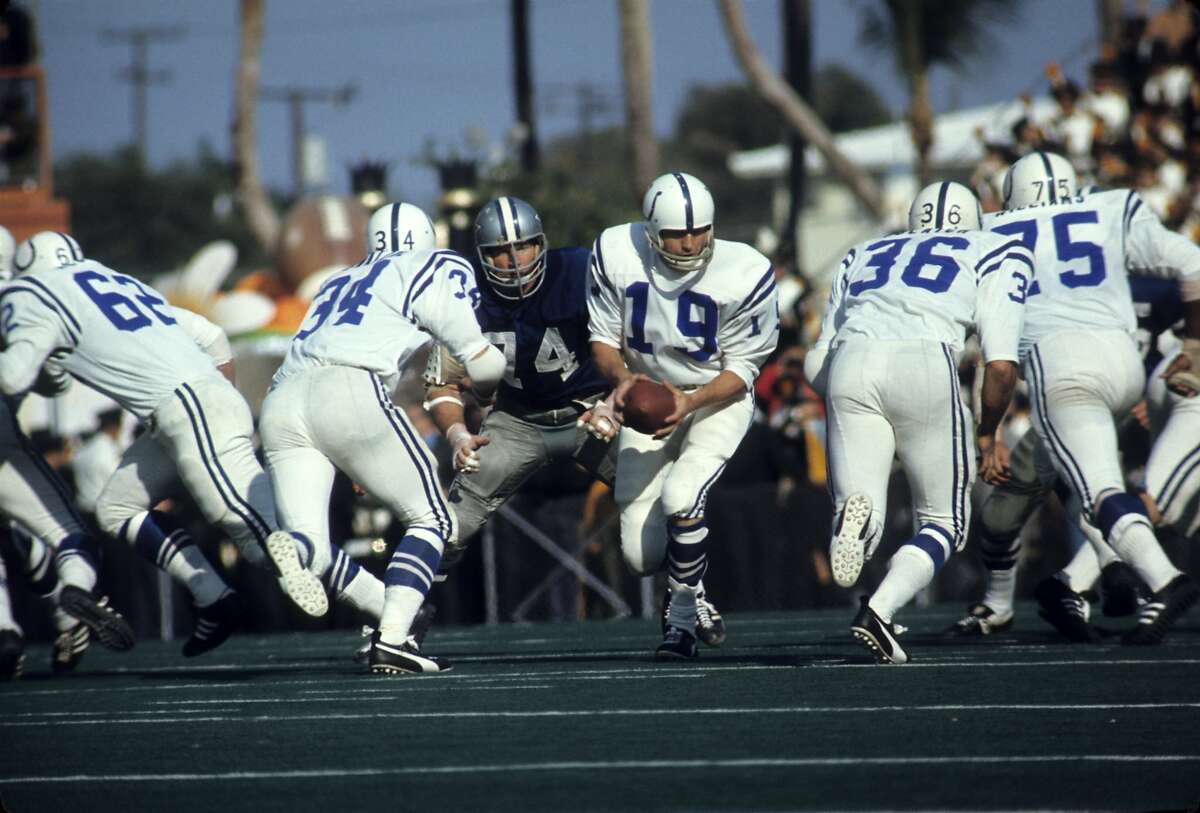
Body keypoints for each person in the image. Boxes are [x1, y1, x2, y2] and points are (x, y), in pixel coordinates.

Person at [0, 231, 329, 658]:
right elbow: (211, 334)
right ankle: (202, 597)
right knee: (96, 519)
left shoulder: (29, 295)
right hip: (190, 402)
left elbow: (22, 377)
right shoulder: (113, 281)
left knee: (254, 531)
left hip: (182, 407)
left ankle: (380, 603)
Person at [259, 202, 506, 675]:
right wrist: (490, 396)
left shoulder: (336, 280)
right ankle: (393, 638)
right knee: (435, 517)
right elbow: (483, 360)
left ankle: (313, 557)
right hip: (349, 391)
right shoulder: (434, 264)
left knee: (314, 543)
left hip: (282, 399)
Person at [805, 181, 1029, 664]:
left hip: (851, 360)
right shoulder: (996, 248)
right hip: (925, 359)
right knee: (944, 521)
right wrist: (988, 431)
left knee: (863, 501)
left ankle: (856, 522)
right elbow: (1002, 366)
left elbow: (815, 360)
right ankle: (880, 611)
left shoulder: (864, 251)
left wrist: (843, 395)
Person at [981, 151, 1200, 645]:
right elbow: (1193, 260)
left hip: (1061, 364)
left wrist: (985, 428)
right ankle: (1077, 583)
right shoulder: (1111, 207)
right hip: (1124, 362)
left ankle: (1164, 580)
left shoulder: (989, 229)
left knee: (1098, 491)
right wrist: (1195, 345)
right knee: (1093, 481)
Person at [586, 171, 778, 659]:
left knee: (681, 496)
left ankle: (681, 621)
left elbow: (745, 366)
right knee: (639, 555)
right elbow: (603, 340)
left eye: (699, 230)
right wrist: (623, 382)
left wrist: (689, 403)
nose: (690, 243)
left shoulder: (745, 269)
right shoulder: (615, 251)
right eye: (676, 233)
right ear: (650, 230)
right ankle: (696, 589)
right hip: (647, 394)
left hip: (717, 398)